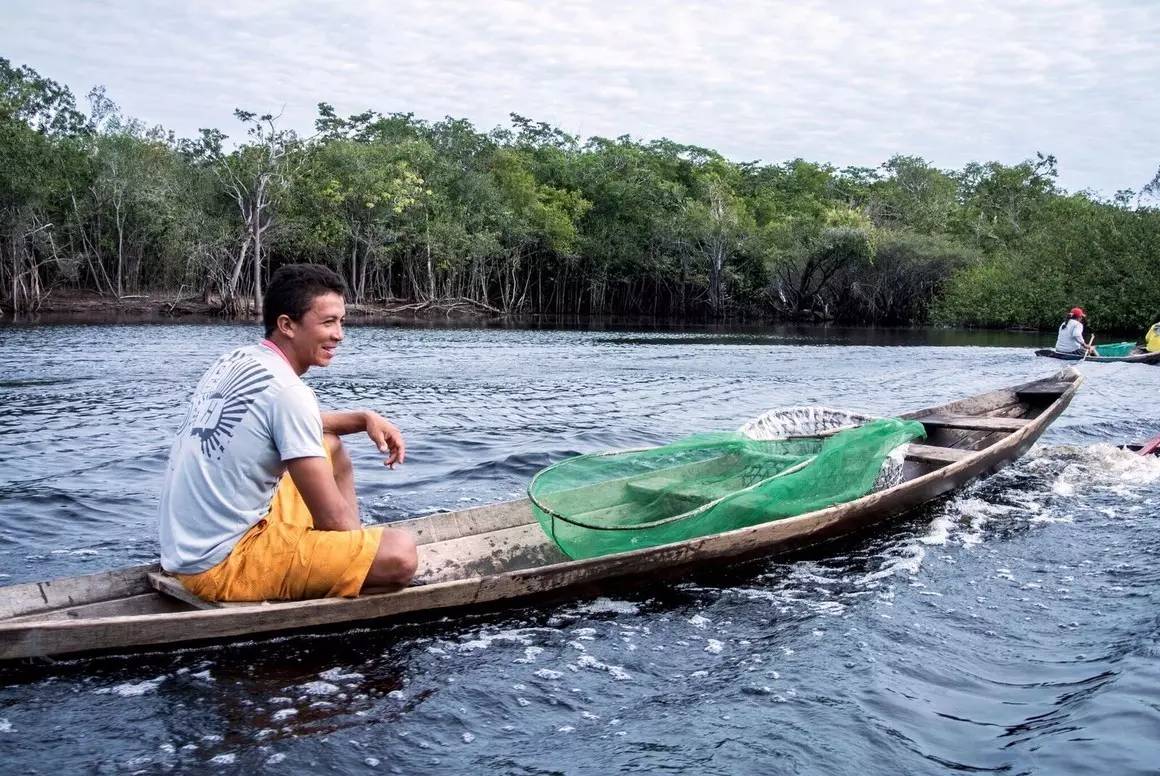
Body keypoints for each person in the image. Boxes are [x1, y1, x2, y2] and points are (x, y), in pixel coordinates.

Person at [158, 263, 418, 602]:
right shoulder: (289, 392)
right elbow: (332, 518)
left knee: (330, 445)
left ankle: (341, 556)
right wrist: (366, 553)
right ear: (287, 325)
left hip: (184, 549)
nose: (339, 334)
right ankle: (350, 562)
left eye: (341, 321)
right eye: (328, 322)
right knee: (400, 554)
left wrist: (362, 417)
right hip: (222, 565)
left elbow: (284, 422)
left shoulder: (239, 360)